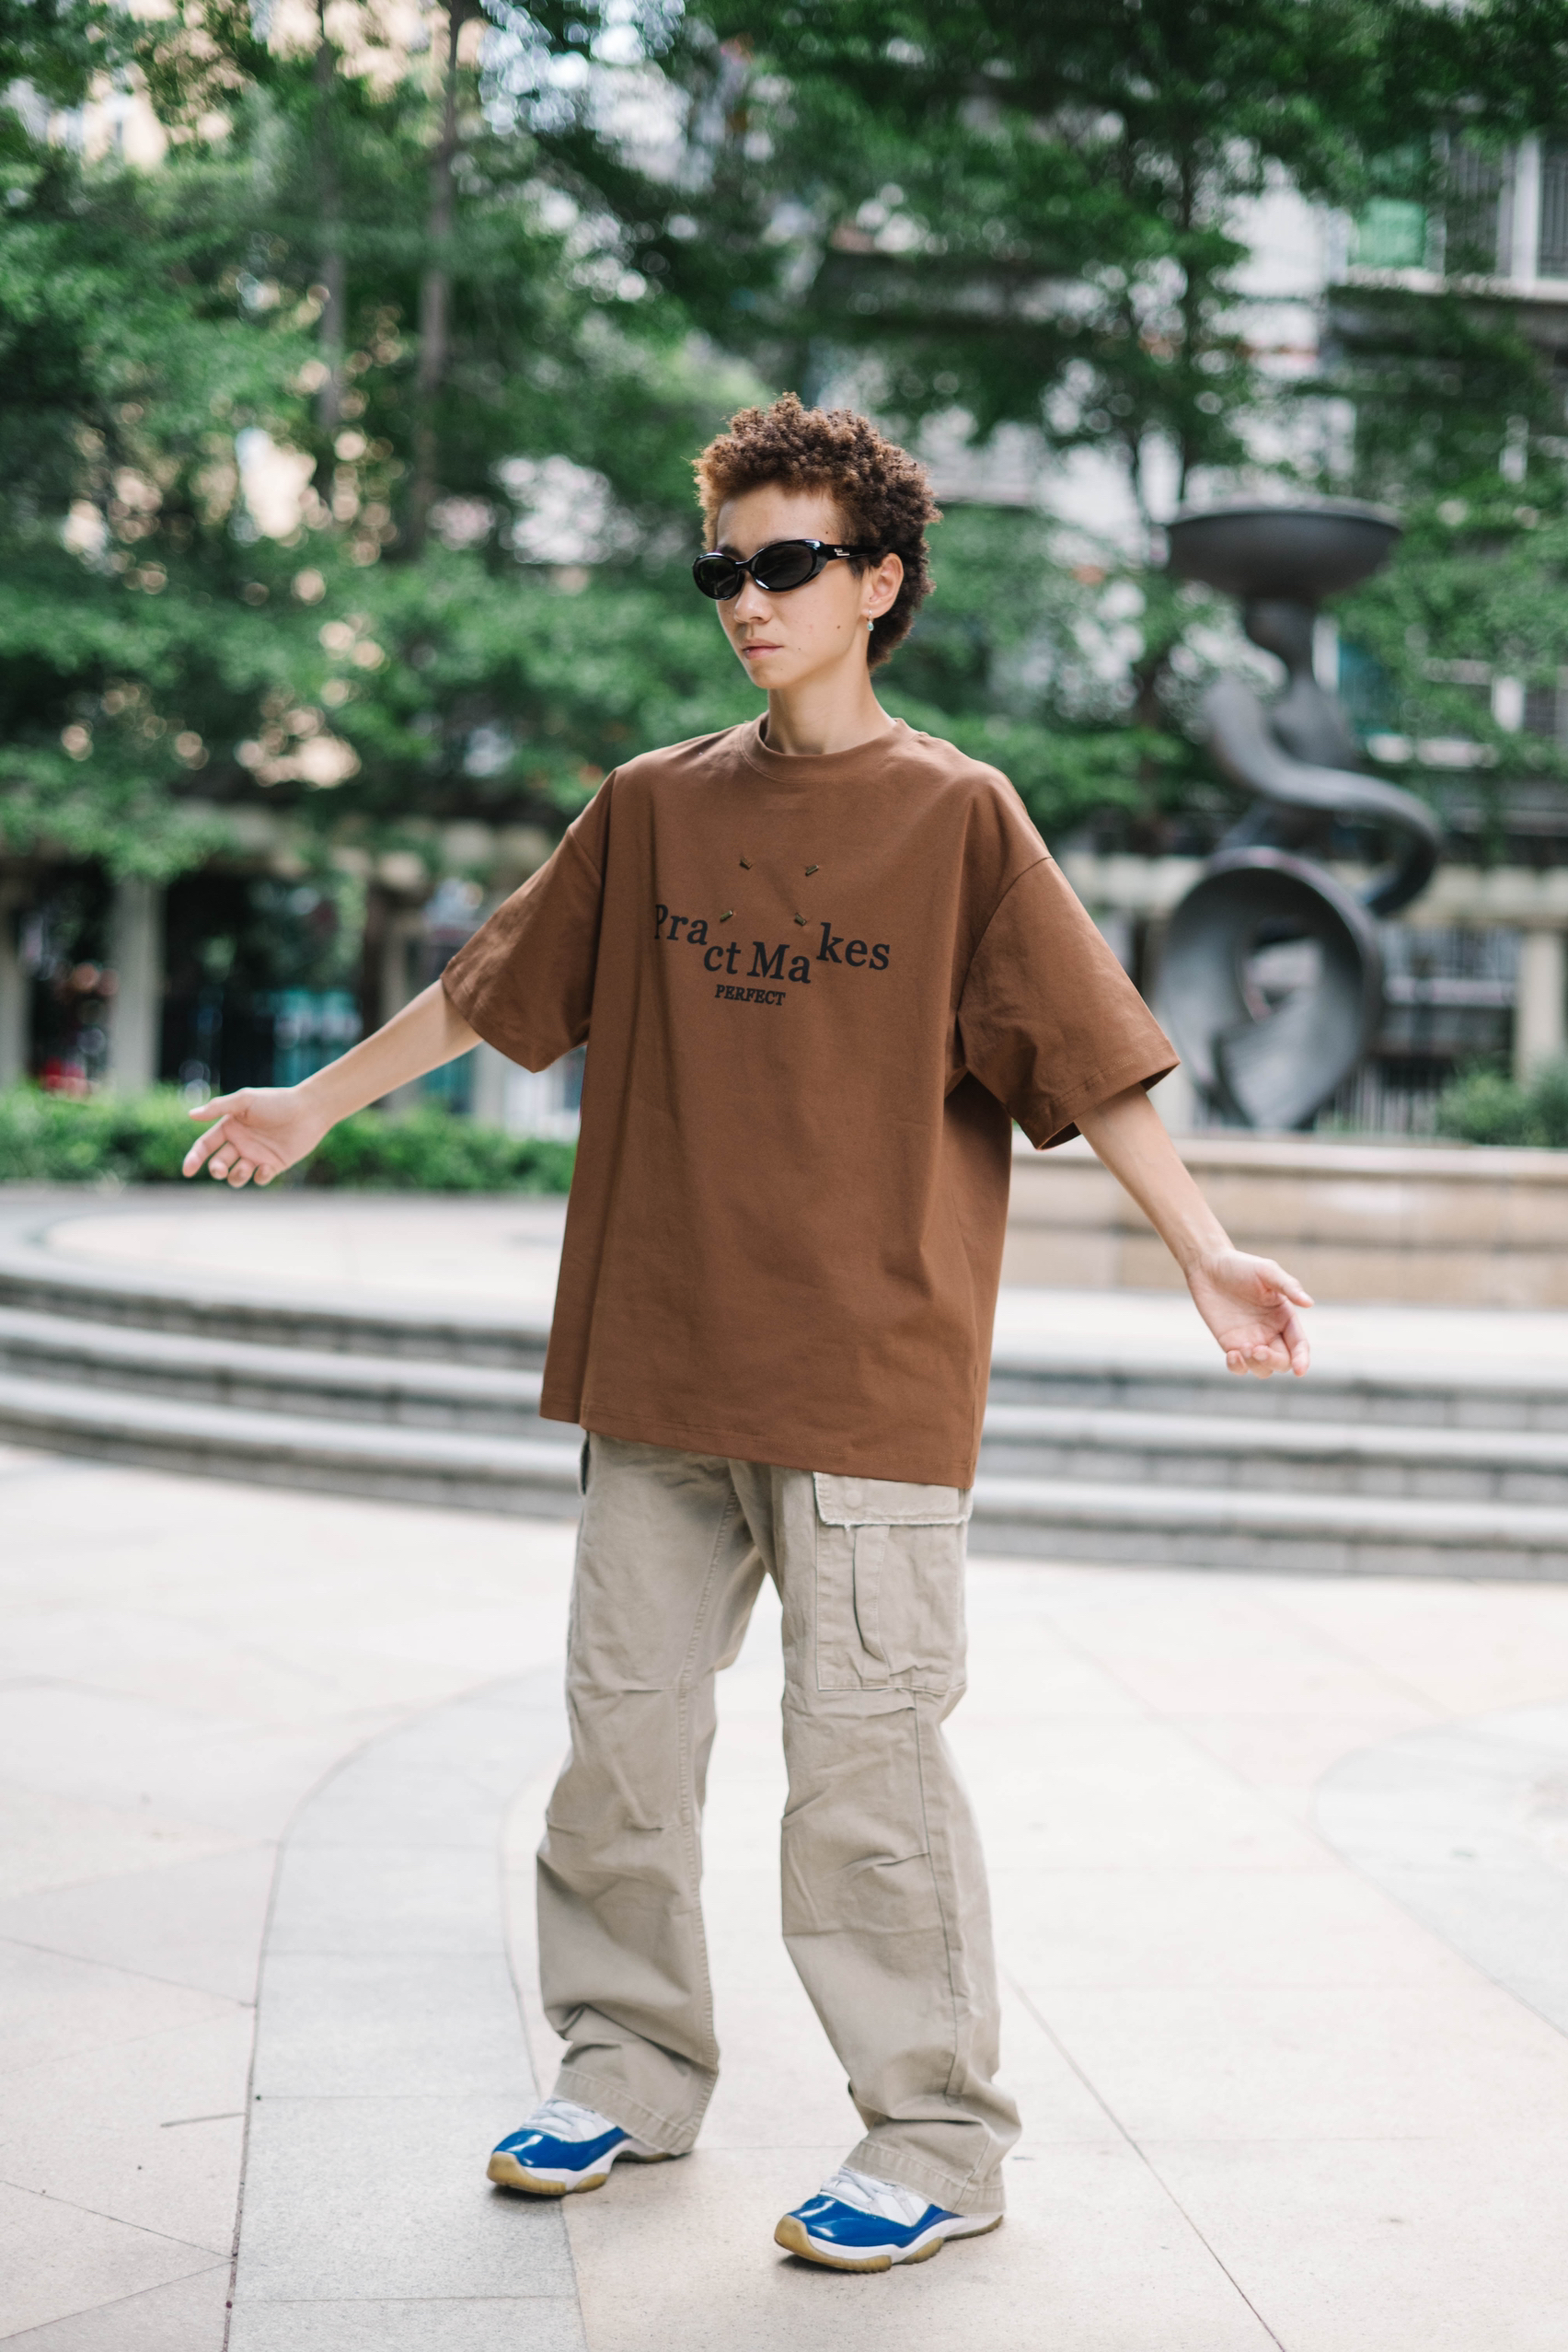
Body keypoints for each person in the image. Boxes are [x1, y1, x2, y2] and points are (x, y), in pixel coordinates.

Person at [184, 394, 1311, 2274]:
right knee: (619, 1752)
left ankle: (934, 2138)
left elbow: (1086, 1056)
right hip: (660, 1360)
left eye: (789, 563)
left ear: (881, 582)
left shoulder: (960, 816)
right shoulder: (652, 805)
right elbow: (487, 990)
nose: (750, 599)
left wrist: (1203, 1251)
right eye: (724, 567)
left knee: (866, 1780)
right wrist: (311, 1102)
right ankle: (625, 2067)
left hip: (868, 1380)